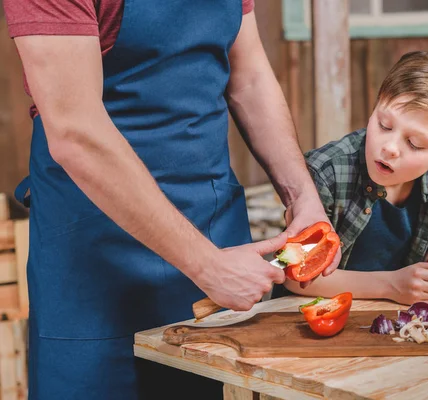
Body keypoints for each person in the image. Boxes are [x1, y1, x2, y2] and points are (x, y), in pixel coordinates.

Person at [3, 0, 340, 398]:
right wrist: (208, 265)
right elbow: (77, 132)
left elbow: (248, 77)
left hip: (211, 226)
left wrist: (302, 197)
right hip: (95, 254)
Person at [277, 51, 428, 305]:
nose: (390, 147)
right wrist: (391, 286)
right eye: (384, 125)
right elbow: (292, 275)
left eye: (414, 143)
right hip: (314, 312)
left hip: (395, 319)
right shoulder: (325, 172)